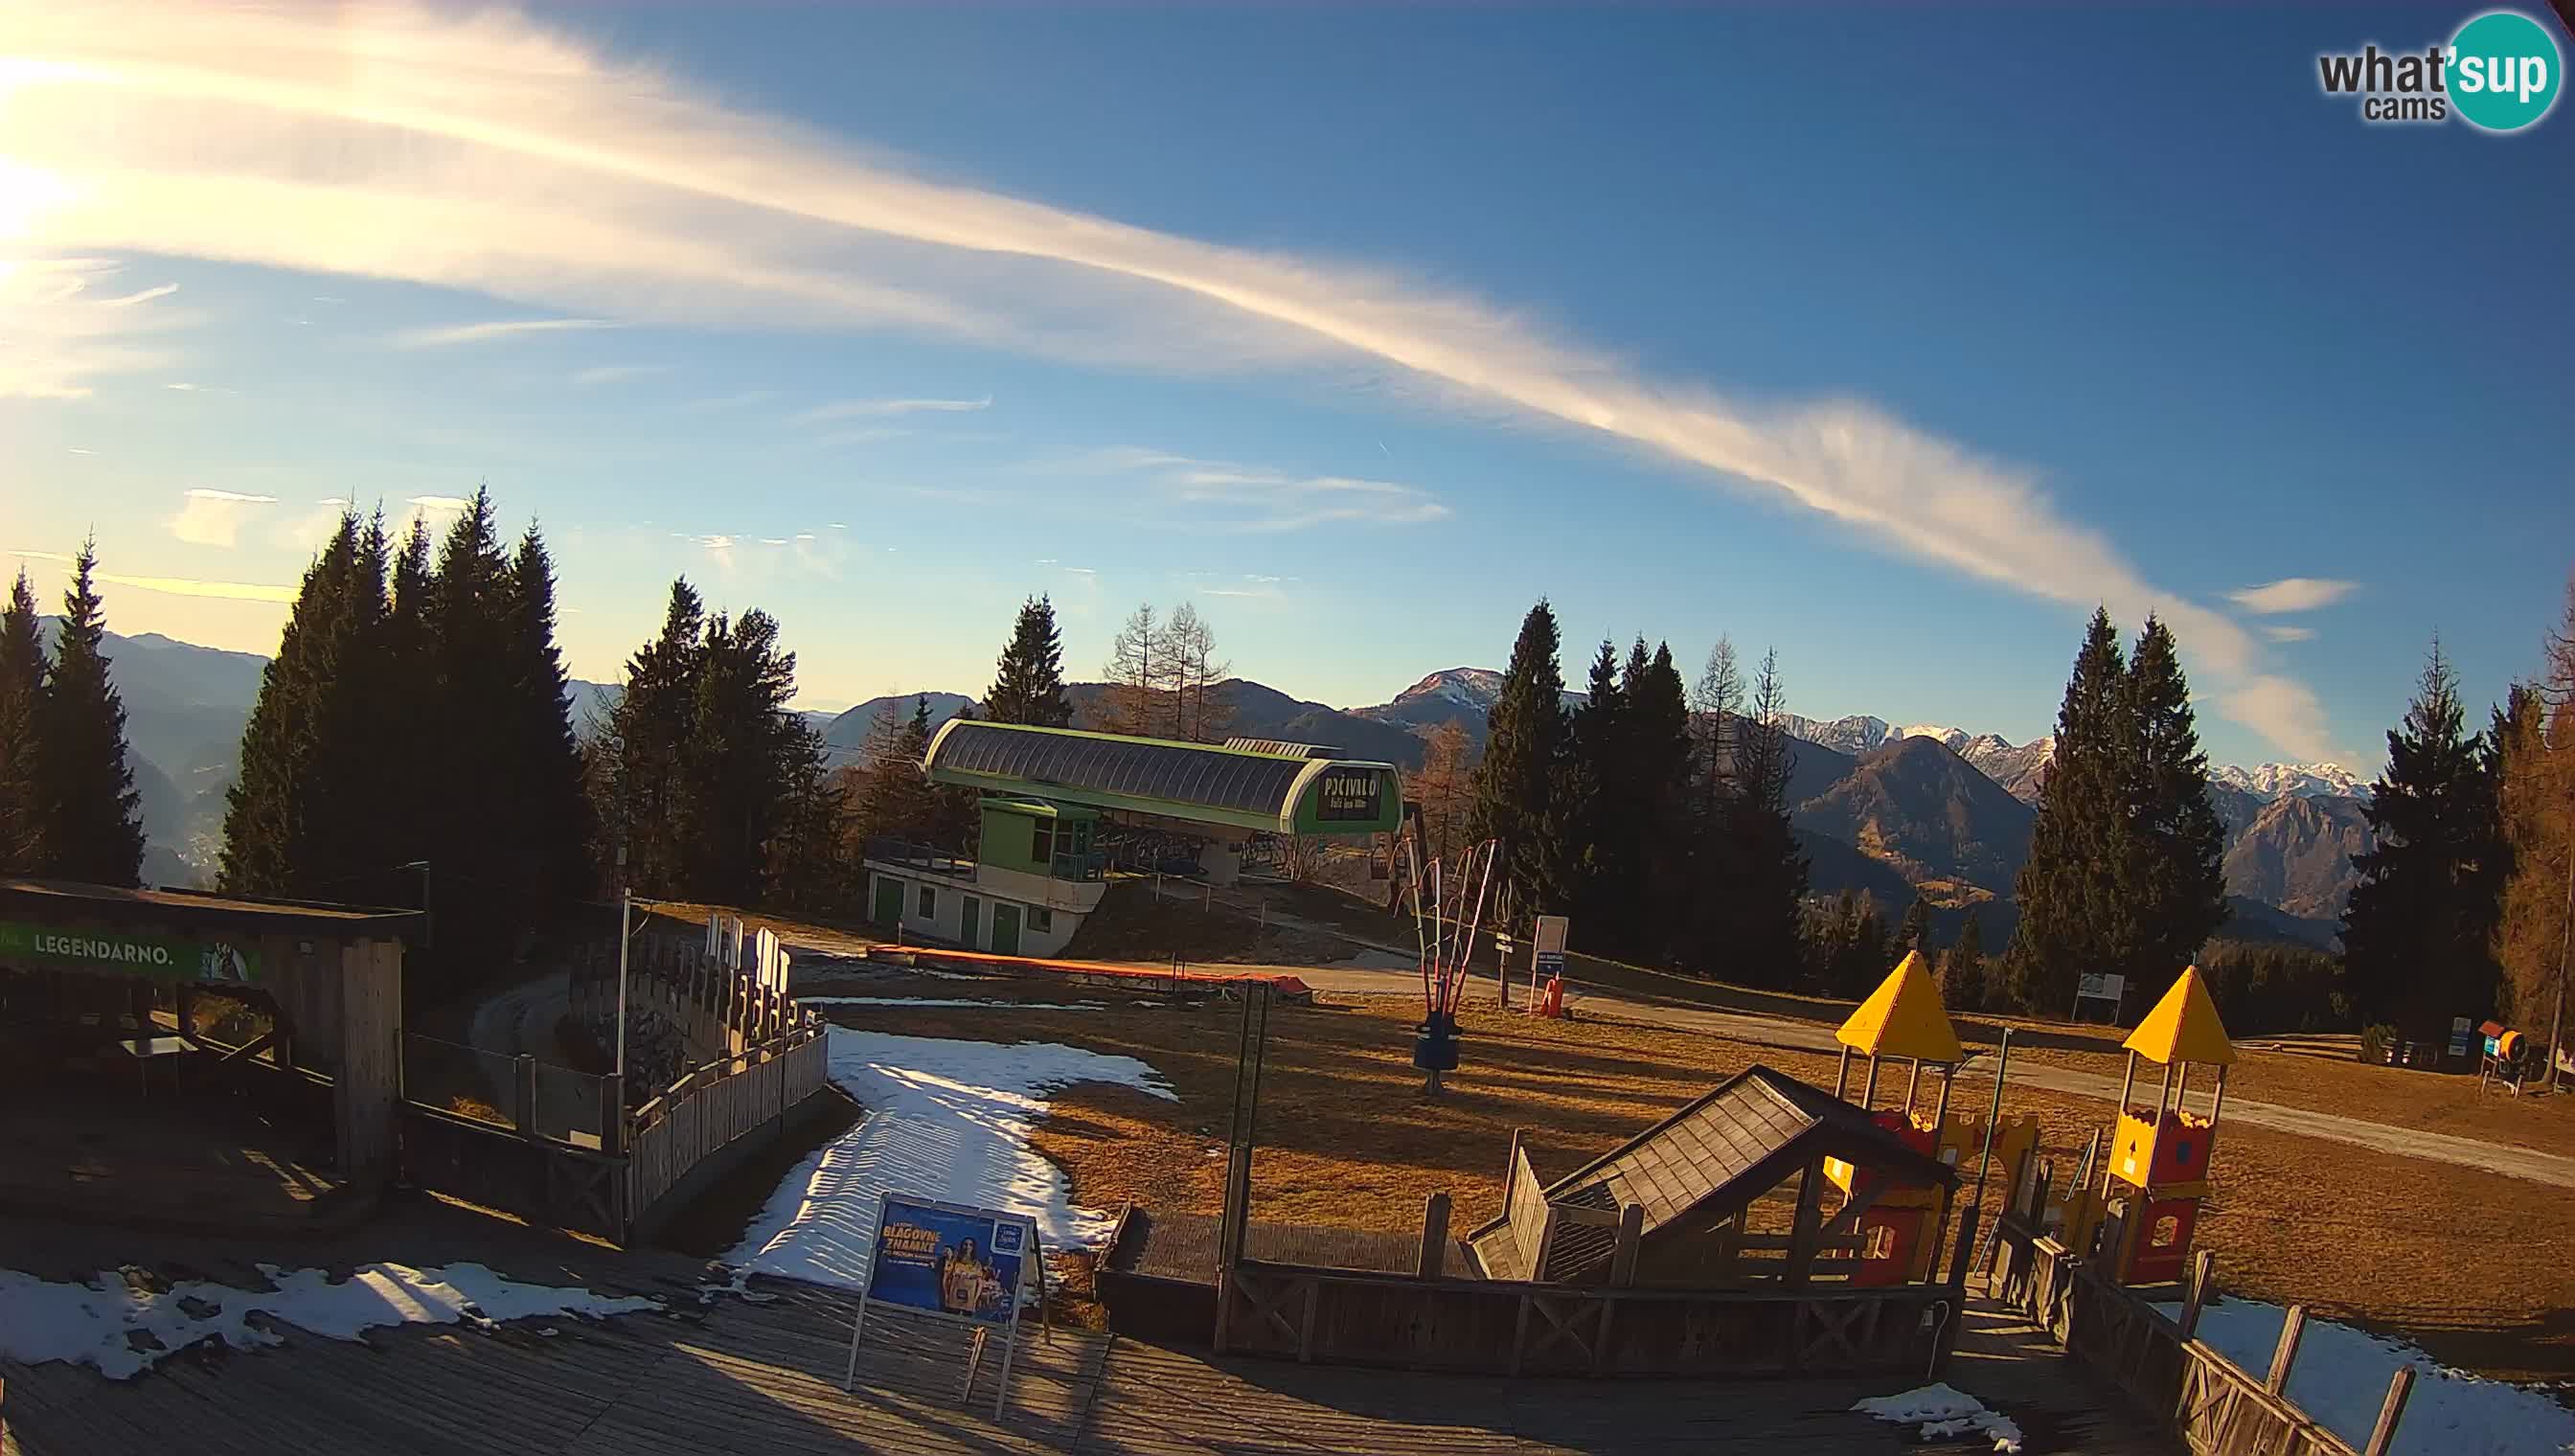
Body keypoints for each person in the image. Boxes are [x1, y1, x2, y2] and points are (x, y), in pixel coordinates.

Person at [940, 1238, 989, 1316]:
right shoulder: (954, 1262)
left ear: (973, 1248)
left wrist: (975, 1300)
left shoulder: (977, 1264)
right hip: (953, 1300)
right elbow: (946, 1279)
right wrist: (946, 1295)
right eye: (965, 1244)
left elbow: (980, 1284)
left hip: (969, 1301)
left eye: (970, 1245)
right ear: (962, 1246)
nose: (968, 1247)